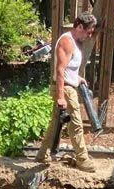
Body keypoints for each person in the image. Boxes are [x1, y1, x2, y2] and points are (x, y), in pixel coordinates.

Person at [36, 13, 98, 173]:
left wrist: (77, 78)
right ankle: (83, 160)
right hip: (64, 89)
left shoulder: (75, 42)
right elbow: (60, 70)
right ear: (79, 27)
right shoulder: (66, 42)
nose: (90, 34)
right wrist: (61, 96)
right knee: (76, 124)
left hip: (69, 86)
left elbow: (68, 69)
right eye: (89, 31)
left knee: (55, 124)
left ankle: (42, 154)